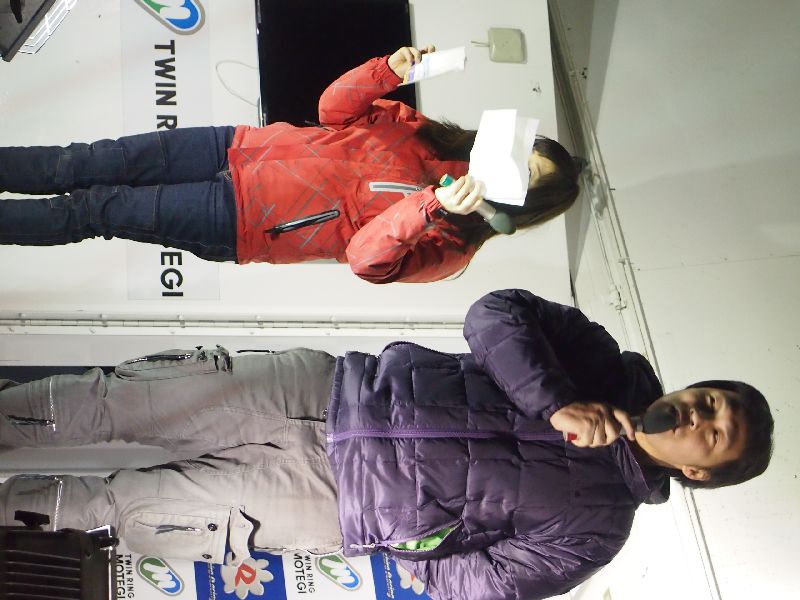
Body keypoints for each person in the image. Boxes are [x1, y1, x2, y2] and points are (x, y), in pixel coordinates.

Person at [0, 288, 774, 599]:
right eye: (711, 400)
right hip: (321, 389)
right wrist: (557, 399)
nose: (700, 416)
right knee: (106, 401)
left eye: (716, 434)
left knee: (118, 508)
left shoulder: (599, 530)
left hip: (322, 503)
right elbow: (495, 314)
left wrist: (406, 537)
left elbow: (480, 587)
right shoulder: (597, 359)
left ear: (701, 473)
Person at [0, 46, 580, 284]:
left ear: (527, 203)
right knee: (81, 161)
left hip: (241, 218)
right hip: (235, 147)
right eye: (524, 150)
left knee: (95, 210)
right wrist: (386, 71)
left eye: (528, 173)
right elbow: (332, 111)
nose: (512, 161)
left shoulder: (453, 243)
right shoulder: (425, 133)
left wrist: (429, 206)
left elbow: (366, 260)